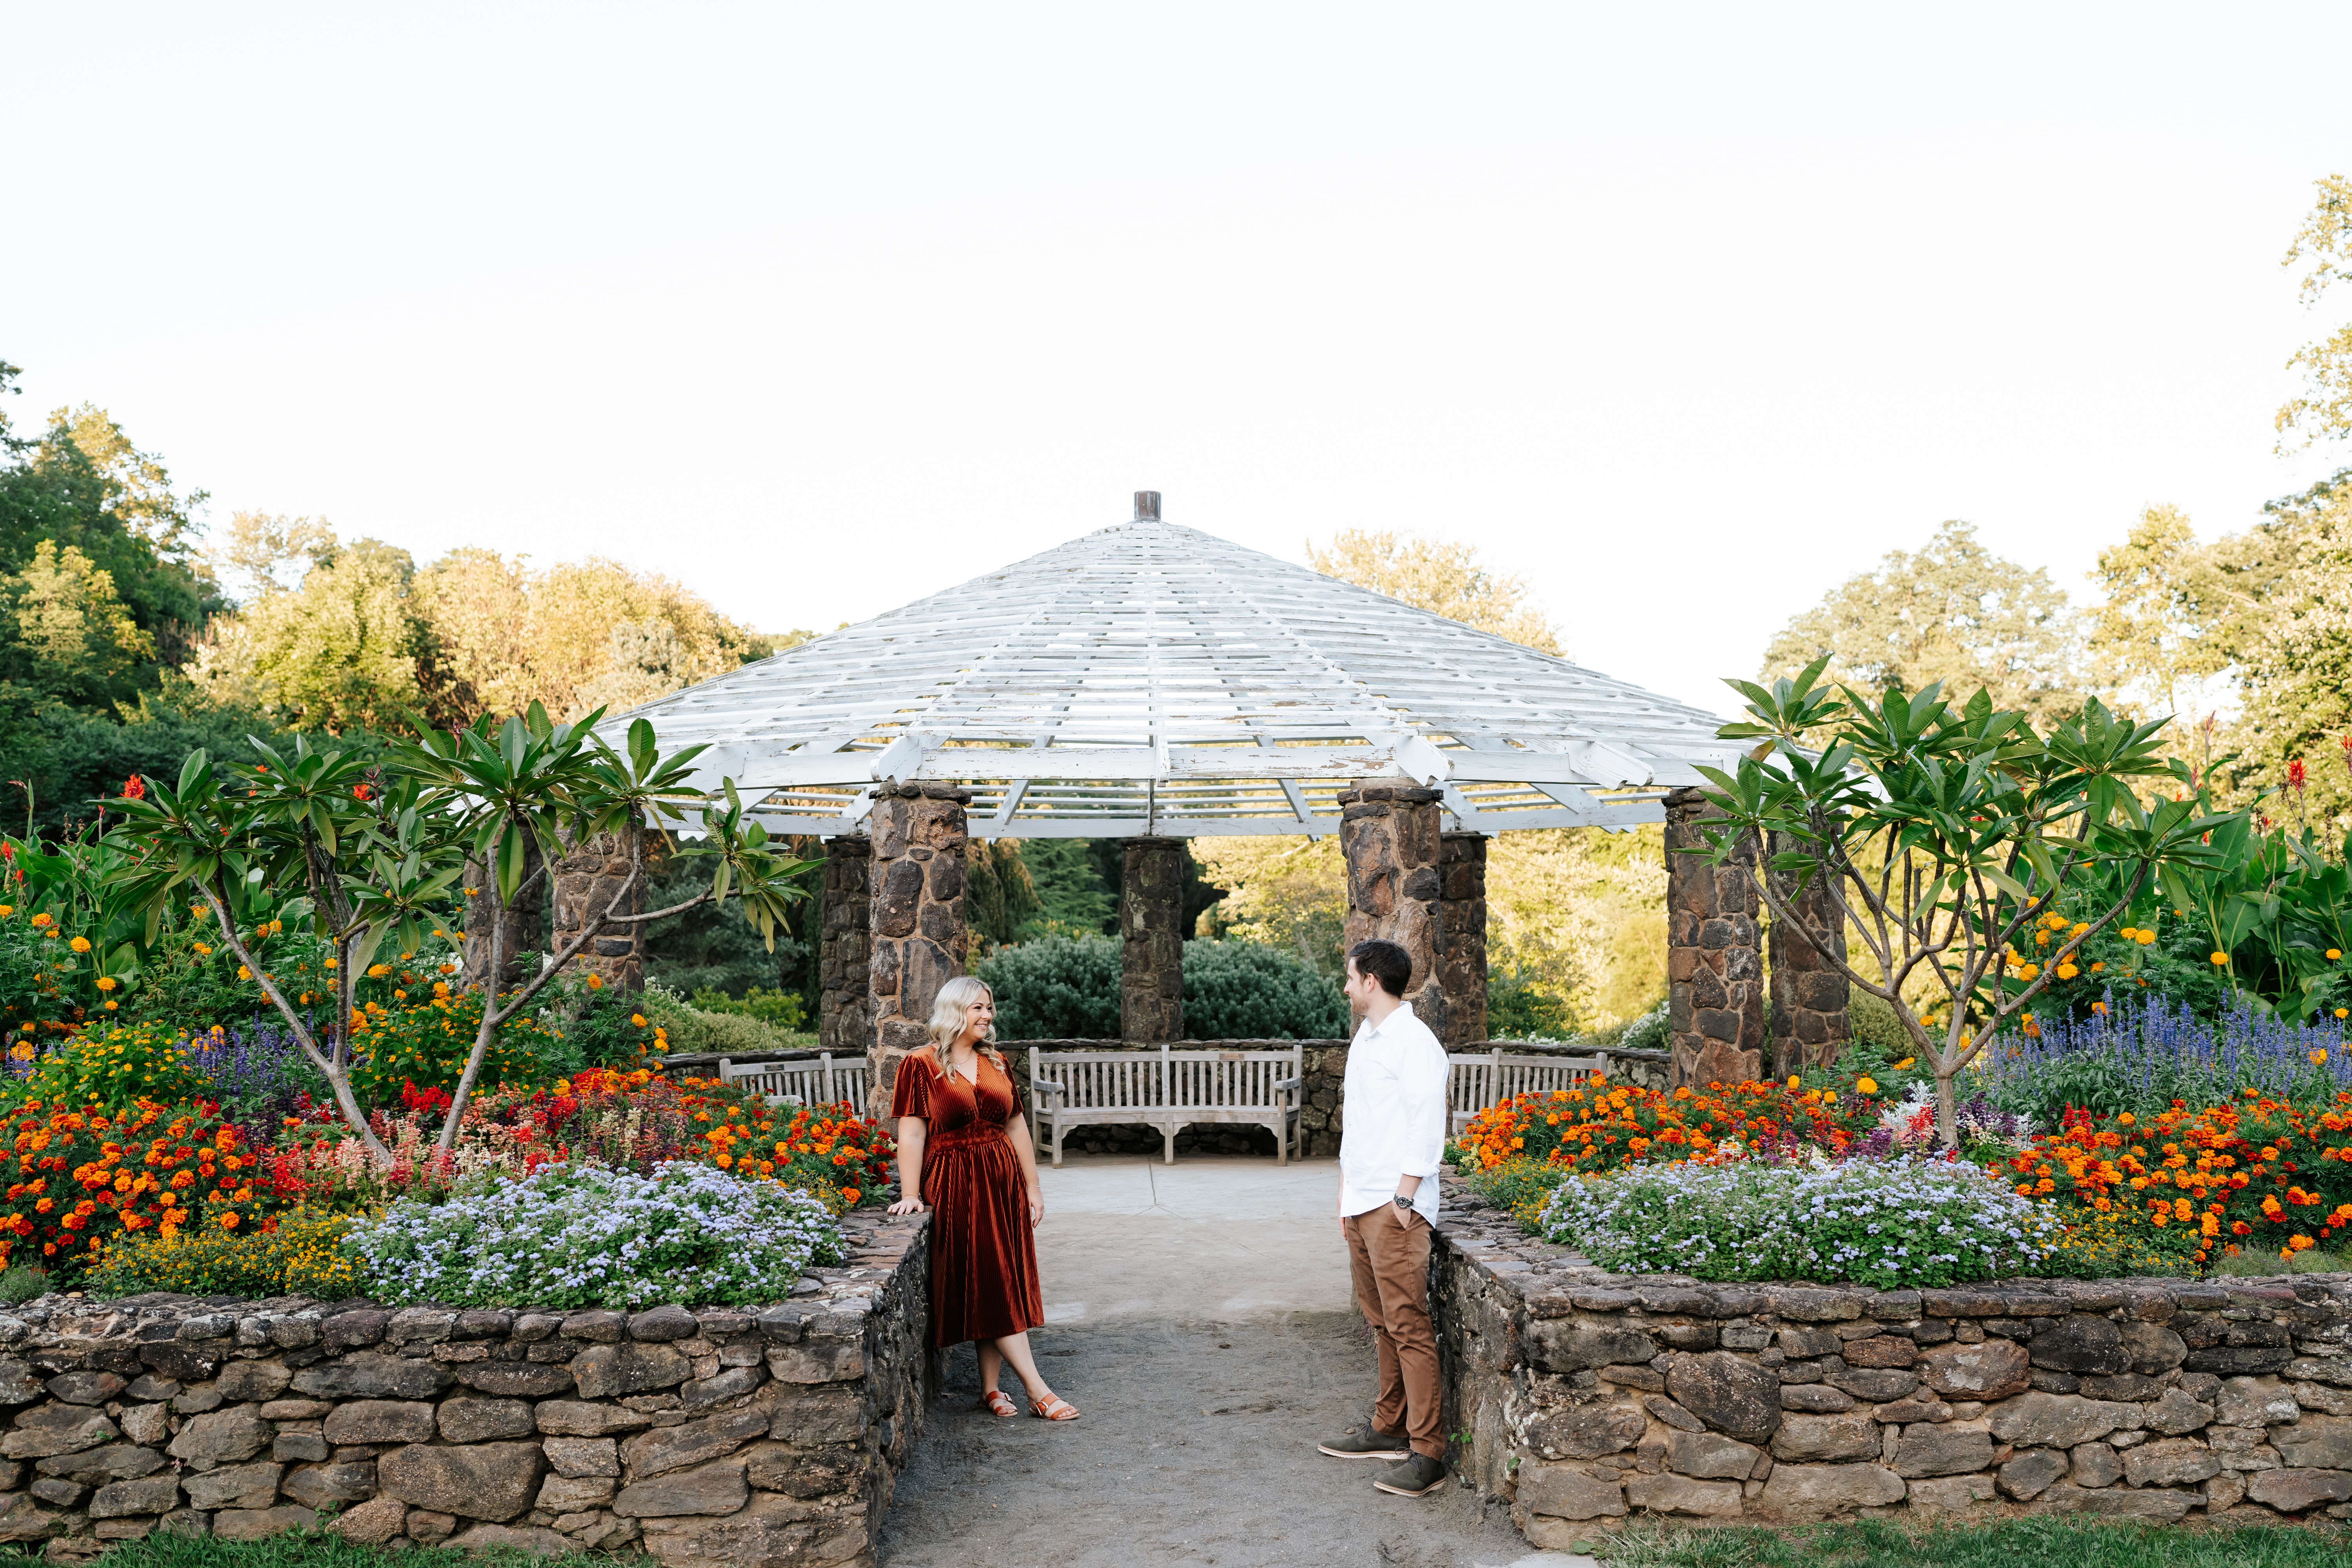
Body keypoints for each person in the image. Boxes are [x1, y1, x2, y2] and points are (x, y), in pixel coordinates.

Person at [884, 976, 1078, 1421]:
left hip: (1002, 1181)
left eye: (990, 1008)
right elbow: (912, 1134)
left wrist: (1033, 1186)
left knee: (997, 1280)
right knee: (990, 1280)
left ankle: (991, 1389)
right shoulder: (921, 1064)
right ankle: (1038, 1389)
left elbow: (1016, 1128)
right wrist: (911, 1193)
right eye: (978, 1008)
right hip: (954, 1183)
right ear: (955, 1011)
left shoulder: (997, 1062)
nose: (988, 1016)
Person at [1317, 938, 1449, 1497]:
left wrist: (1403, 1199)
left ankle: (1427, 1453)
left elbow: (1426, 1123)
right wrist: (1346, 1199)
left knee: (1409, 1326)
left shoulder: (1415, 1043)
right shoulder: (1366, 1040)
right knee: (1381, 1323)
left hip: (1395, 1209)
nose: (1346, 986)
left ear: (1371, 981)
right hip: (1361, 1203)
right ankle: (1389, 1425)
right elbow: (1363, 1127)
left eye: (1350, 977)